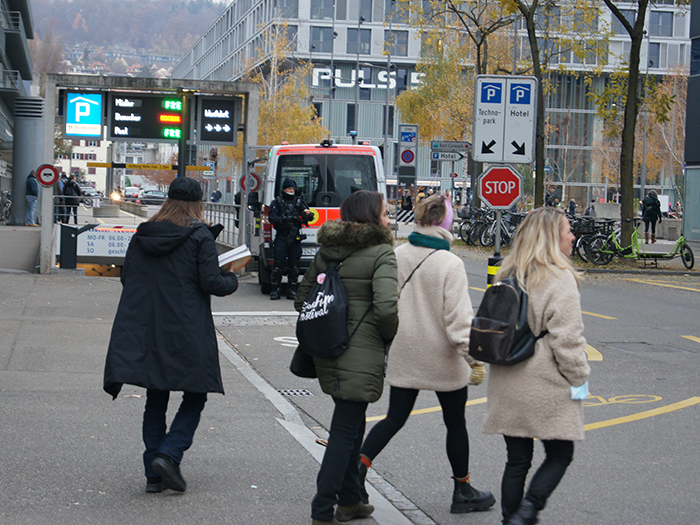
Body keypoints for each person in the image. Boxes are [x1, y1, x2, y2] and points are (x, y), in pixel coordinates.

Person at [359, 194, 495, 514]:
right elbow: (460, 323)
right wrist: (474, 360)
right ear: (446, 223)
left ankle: (356, 473)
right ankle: (462, 490)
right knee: (455, 423)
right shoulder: (450, 263)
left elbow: (384, 306)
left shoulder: (397, 255)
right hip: (444, 358)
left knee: (394, 418)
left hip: (406, 351)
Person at [103, 177, 239, 494]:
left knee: (156, 394)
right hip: (186, 328)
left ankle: (154, 473)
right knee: (196, 392)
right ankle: (169, 453)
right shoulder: (199, 236)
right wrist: (230, 278)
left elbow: (128, 277)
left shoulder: (143, 234)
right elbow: (212, 284)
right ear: (197, 203)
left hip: (148, 327)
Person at [295, 190, 399, 525]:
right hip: (362, 349)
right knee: (344, 431)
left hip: (328, 349)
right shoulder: (382, 252)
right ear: (372, 216)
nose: (389, 218)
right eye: (385, 213)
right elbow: (385, 309)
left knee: (351, 426)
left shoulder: (328, 250)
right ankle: (322, 508)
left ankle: (351, 500)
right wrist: (384, 338)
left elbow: (302, 299)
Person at [483, 206, 590, 525]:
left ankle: (509, 519)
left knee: (517, 460)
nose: (573, 236)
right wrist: (580, 379)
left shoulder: (507, 273)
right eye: (567, 230)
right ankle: (529, 510)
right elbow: (568, 341)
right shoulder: (560, 279)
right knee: (560, 454)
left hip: (507, 378)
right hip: (544, 380)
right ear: (551, 238)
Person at [268, 178, 313, 300]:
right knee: (278, 264)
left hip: (295, 237)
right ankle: (275, 290)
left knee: (295, 264)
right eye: (289, 189)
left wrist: (307, 214)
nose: (291, 191)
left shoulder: (298, 201)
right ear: (284, 189)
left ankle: (292, 290)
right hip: (282, 235)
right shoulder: (277, 202)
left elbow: (309, 217)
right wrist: (283, 219)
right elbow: (271, 217)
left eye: (293, 189)